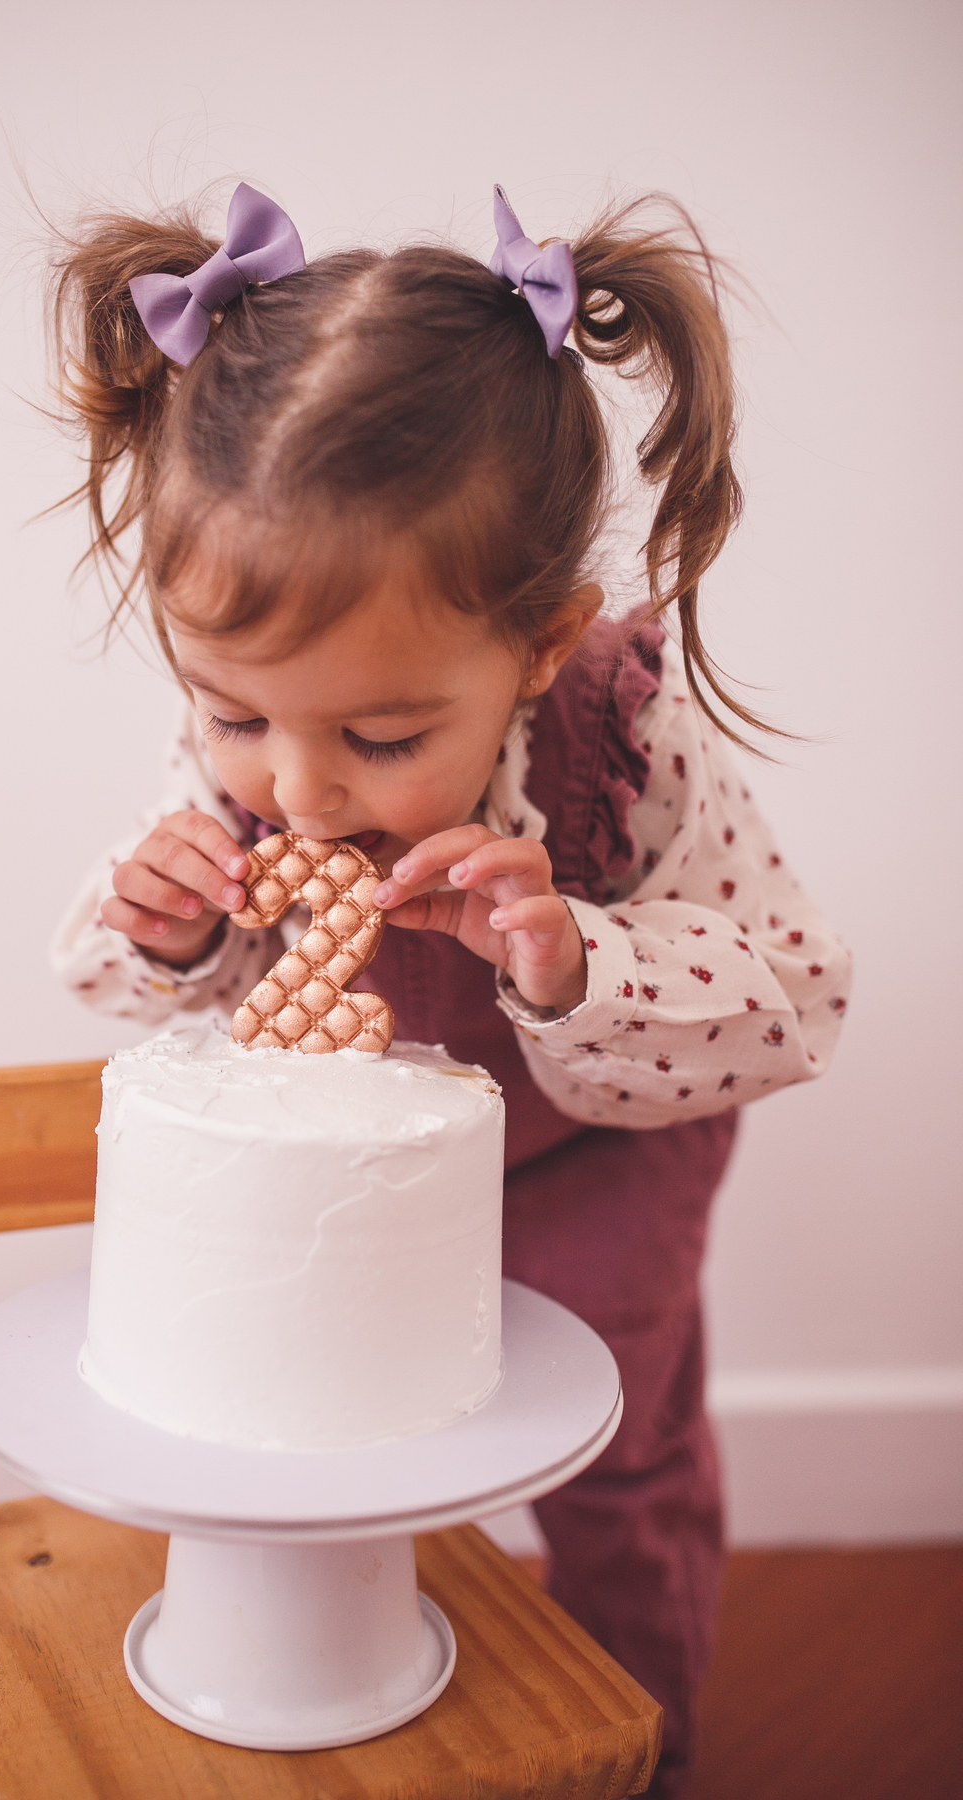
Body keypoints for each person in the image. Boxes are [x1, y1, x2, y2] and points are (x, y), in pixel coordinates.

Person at [48, 181, 850, 1795]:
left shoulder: (629, 737)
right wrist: (177, 930)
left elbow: (798, 999)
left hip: (589, 1171)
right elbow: (114, 984)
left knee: (617, 1473)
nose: (304, 795)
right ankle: (346, 1695)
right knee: (330, 1449)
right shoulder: (263, 771)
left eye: (386, 739)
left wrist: (575, 956)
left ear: (542, 643)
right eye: (233, 717)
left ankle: (645, 1740)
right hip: (342, 1201)